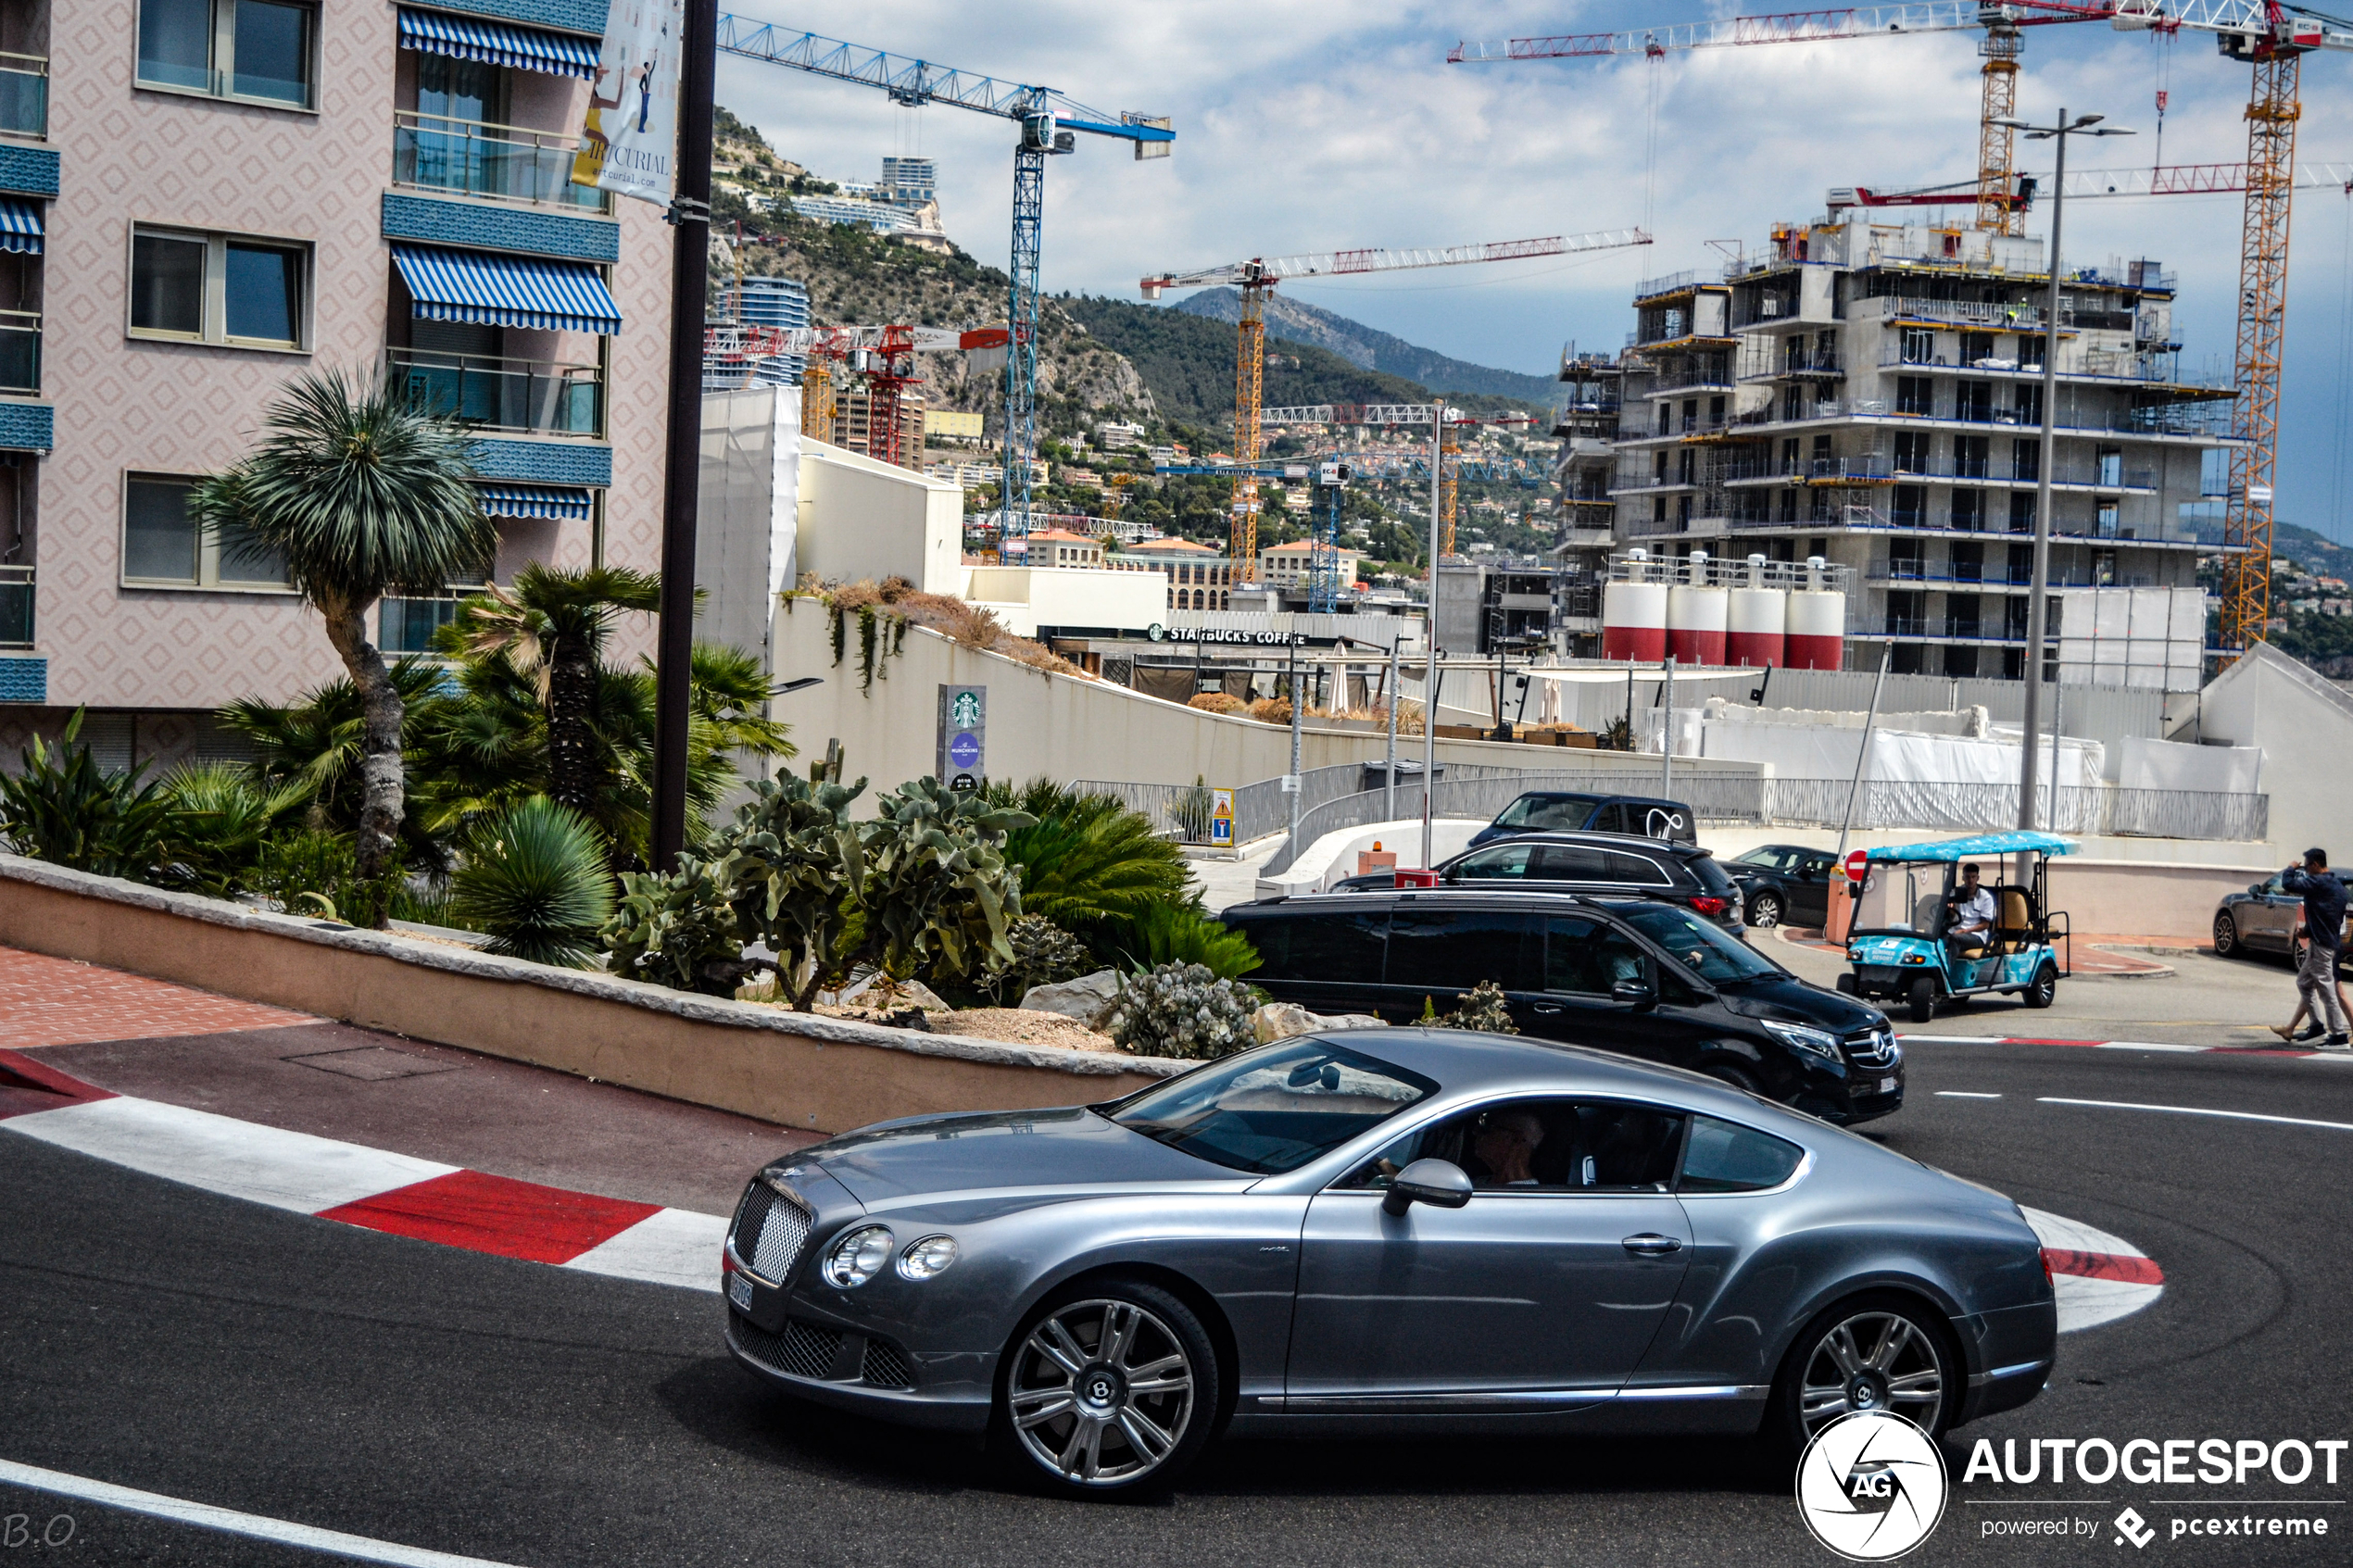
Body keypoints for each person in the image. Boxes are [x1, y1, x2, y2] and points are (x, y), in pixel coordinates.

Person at [2274, 848, 2349, 1047]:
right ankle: (2316, 1027)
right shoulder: (2336, 886)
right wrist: (2307, 930)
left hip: (2323, 946)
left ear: (2315, 864)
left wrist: (2291, 868)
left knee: (2326, 990)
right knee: (2304, 983)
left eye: (2307, 866)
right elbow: (2324, 915)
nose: (2305, 870)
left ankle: (2339, 1035)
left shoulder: (2319, 882)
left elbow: (2288, 883)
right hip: (2323, 941)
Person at [1468, 1107, 1546, 1186]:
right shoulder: (1474, 1183)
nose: (1475, 1131)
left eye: (1488, 1127)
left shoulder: (1529, 1196)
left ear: (1516, 1139)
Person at [1944, 861, 1995, 969]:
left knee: (1955, 939)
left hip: (1977, 936)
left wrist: (1965, 931)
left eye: (1973, 877)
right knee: (1937, 941)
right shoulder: (1954, 893)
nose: (1970, 880)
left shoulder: (1985, 897)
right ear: (1963, 878)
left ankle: (1946, 973)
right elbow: (1950, 917)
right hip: (1955, 931)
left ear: (1977, 878)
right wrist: (1950, 909)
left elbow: (1985, 925)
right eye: (1967, 877)